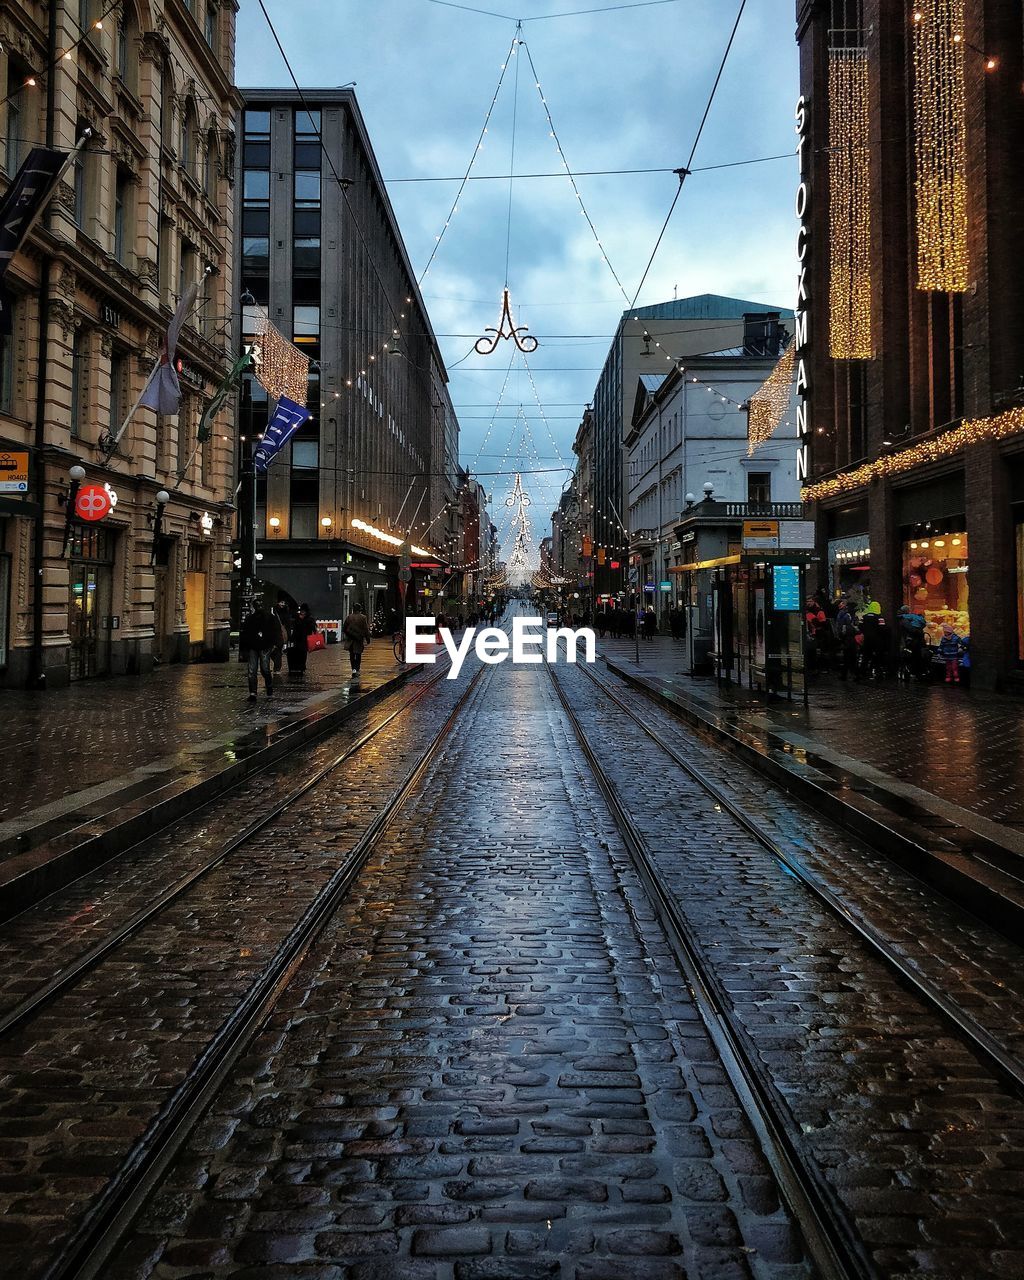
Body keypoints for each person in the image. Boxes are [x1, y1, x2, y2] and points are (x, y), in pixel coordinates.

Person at [240, 602, 276, 702]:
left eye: (261, 605)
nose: (259, 607)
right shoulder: (250, 619)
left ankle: (269, 687)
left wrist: (273, 644)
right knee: (252, 670)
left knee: (265, 669)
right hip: (253, 647)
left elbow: (274, 631)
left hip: (265, 646)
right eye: (257, 605)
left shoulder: (269, 617)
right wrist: (244, 648)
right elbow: (245, 634)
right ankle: (253, 692)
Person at [343, 601, 372, 678]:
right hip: (358, 639)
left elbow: (344, 628)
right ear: (359, 609)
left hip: (350, 639)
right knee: (358, 655)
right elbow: (366, 629)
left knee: (351, 655)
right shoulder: (363, 617)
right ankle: (357, 669)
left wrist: (348, 635)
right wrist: (368, 638)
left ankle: (353, 669)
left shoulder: (349, 617)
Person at [834, 598, 859, 681]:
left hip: (847, 638)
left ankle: (846, 674)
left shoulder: (844, 614)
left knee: (848, 657)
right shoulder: (847, 615)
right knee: (851, 656)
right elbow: (851, 626)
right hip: (850, 638)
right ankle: (852, 674)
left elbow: (840, 627)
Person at [289, 603, 316, 676]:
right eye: (301, 611)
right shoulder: (297, 618)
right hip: (297, 638)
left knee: (303, 653)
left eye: (304, 611)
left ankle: (302, 666)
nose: (302, 612)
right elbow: (294, 628)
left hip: (306, 639)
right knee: (298, 652)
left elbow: (313, 628)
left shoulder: (309, 619)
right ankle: (299, 666)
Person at [272, 597, 292, 674]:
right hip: (274, 633)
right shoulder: (274, 611)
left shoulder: (286, 612)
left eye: (283, 602)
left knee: (278, 651)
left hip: (281, 634)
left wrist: (288, 635)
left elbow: (288, 624)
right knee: (273, 651)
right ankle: (277, 667)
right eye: (281, 602)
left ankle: (277, 668)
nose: (282, 604)